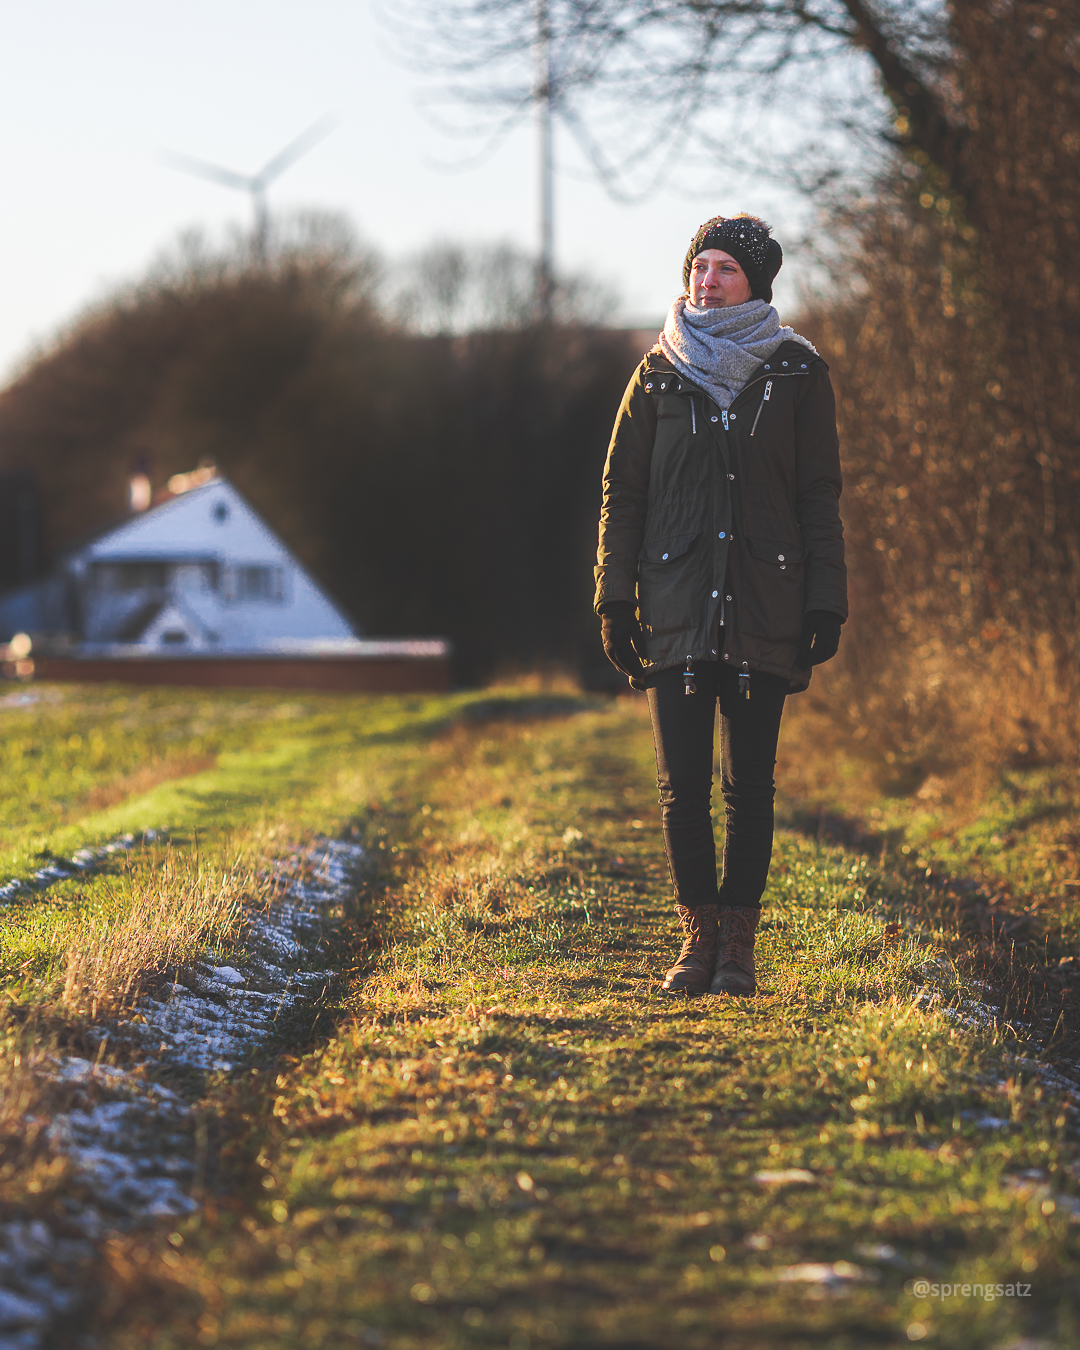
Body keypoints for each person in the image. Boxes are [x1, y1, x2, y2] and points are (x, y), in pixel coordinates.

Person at [594, 214, 847, 996]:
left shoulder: (800, 374)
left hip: (767, 597)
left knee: (750, 788)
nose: (706, 281)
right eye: (698, 267)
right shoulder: (656, 373)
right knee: (681, 787)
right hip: (673, 598)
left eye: (724, 270)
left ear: (757, 283)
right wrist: (613, 596)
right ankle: (696, 943)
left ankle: (739, 948)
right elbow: (622, 493)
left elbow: (817, 494)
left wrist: (823, 601)